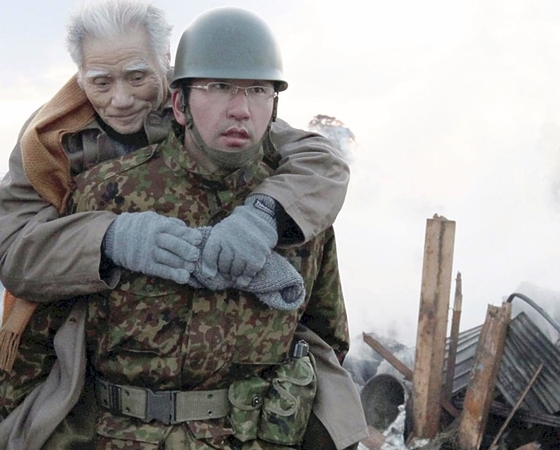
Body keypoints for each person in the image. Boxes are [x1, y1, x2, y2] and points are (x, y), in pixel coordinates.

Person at [0, 1, 365, 449]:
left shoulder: (230, 120)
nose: (120, 98)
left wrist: (266, 215)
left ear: (167, 73)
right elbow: (18, 261)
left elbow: (317, 161)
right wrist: (111, 238)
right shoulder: (52, 147)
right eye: (100, 82)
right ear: (81, 80)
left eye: (137, 77)